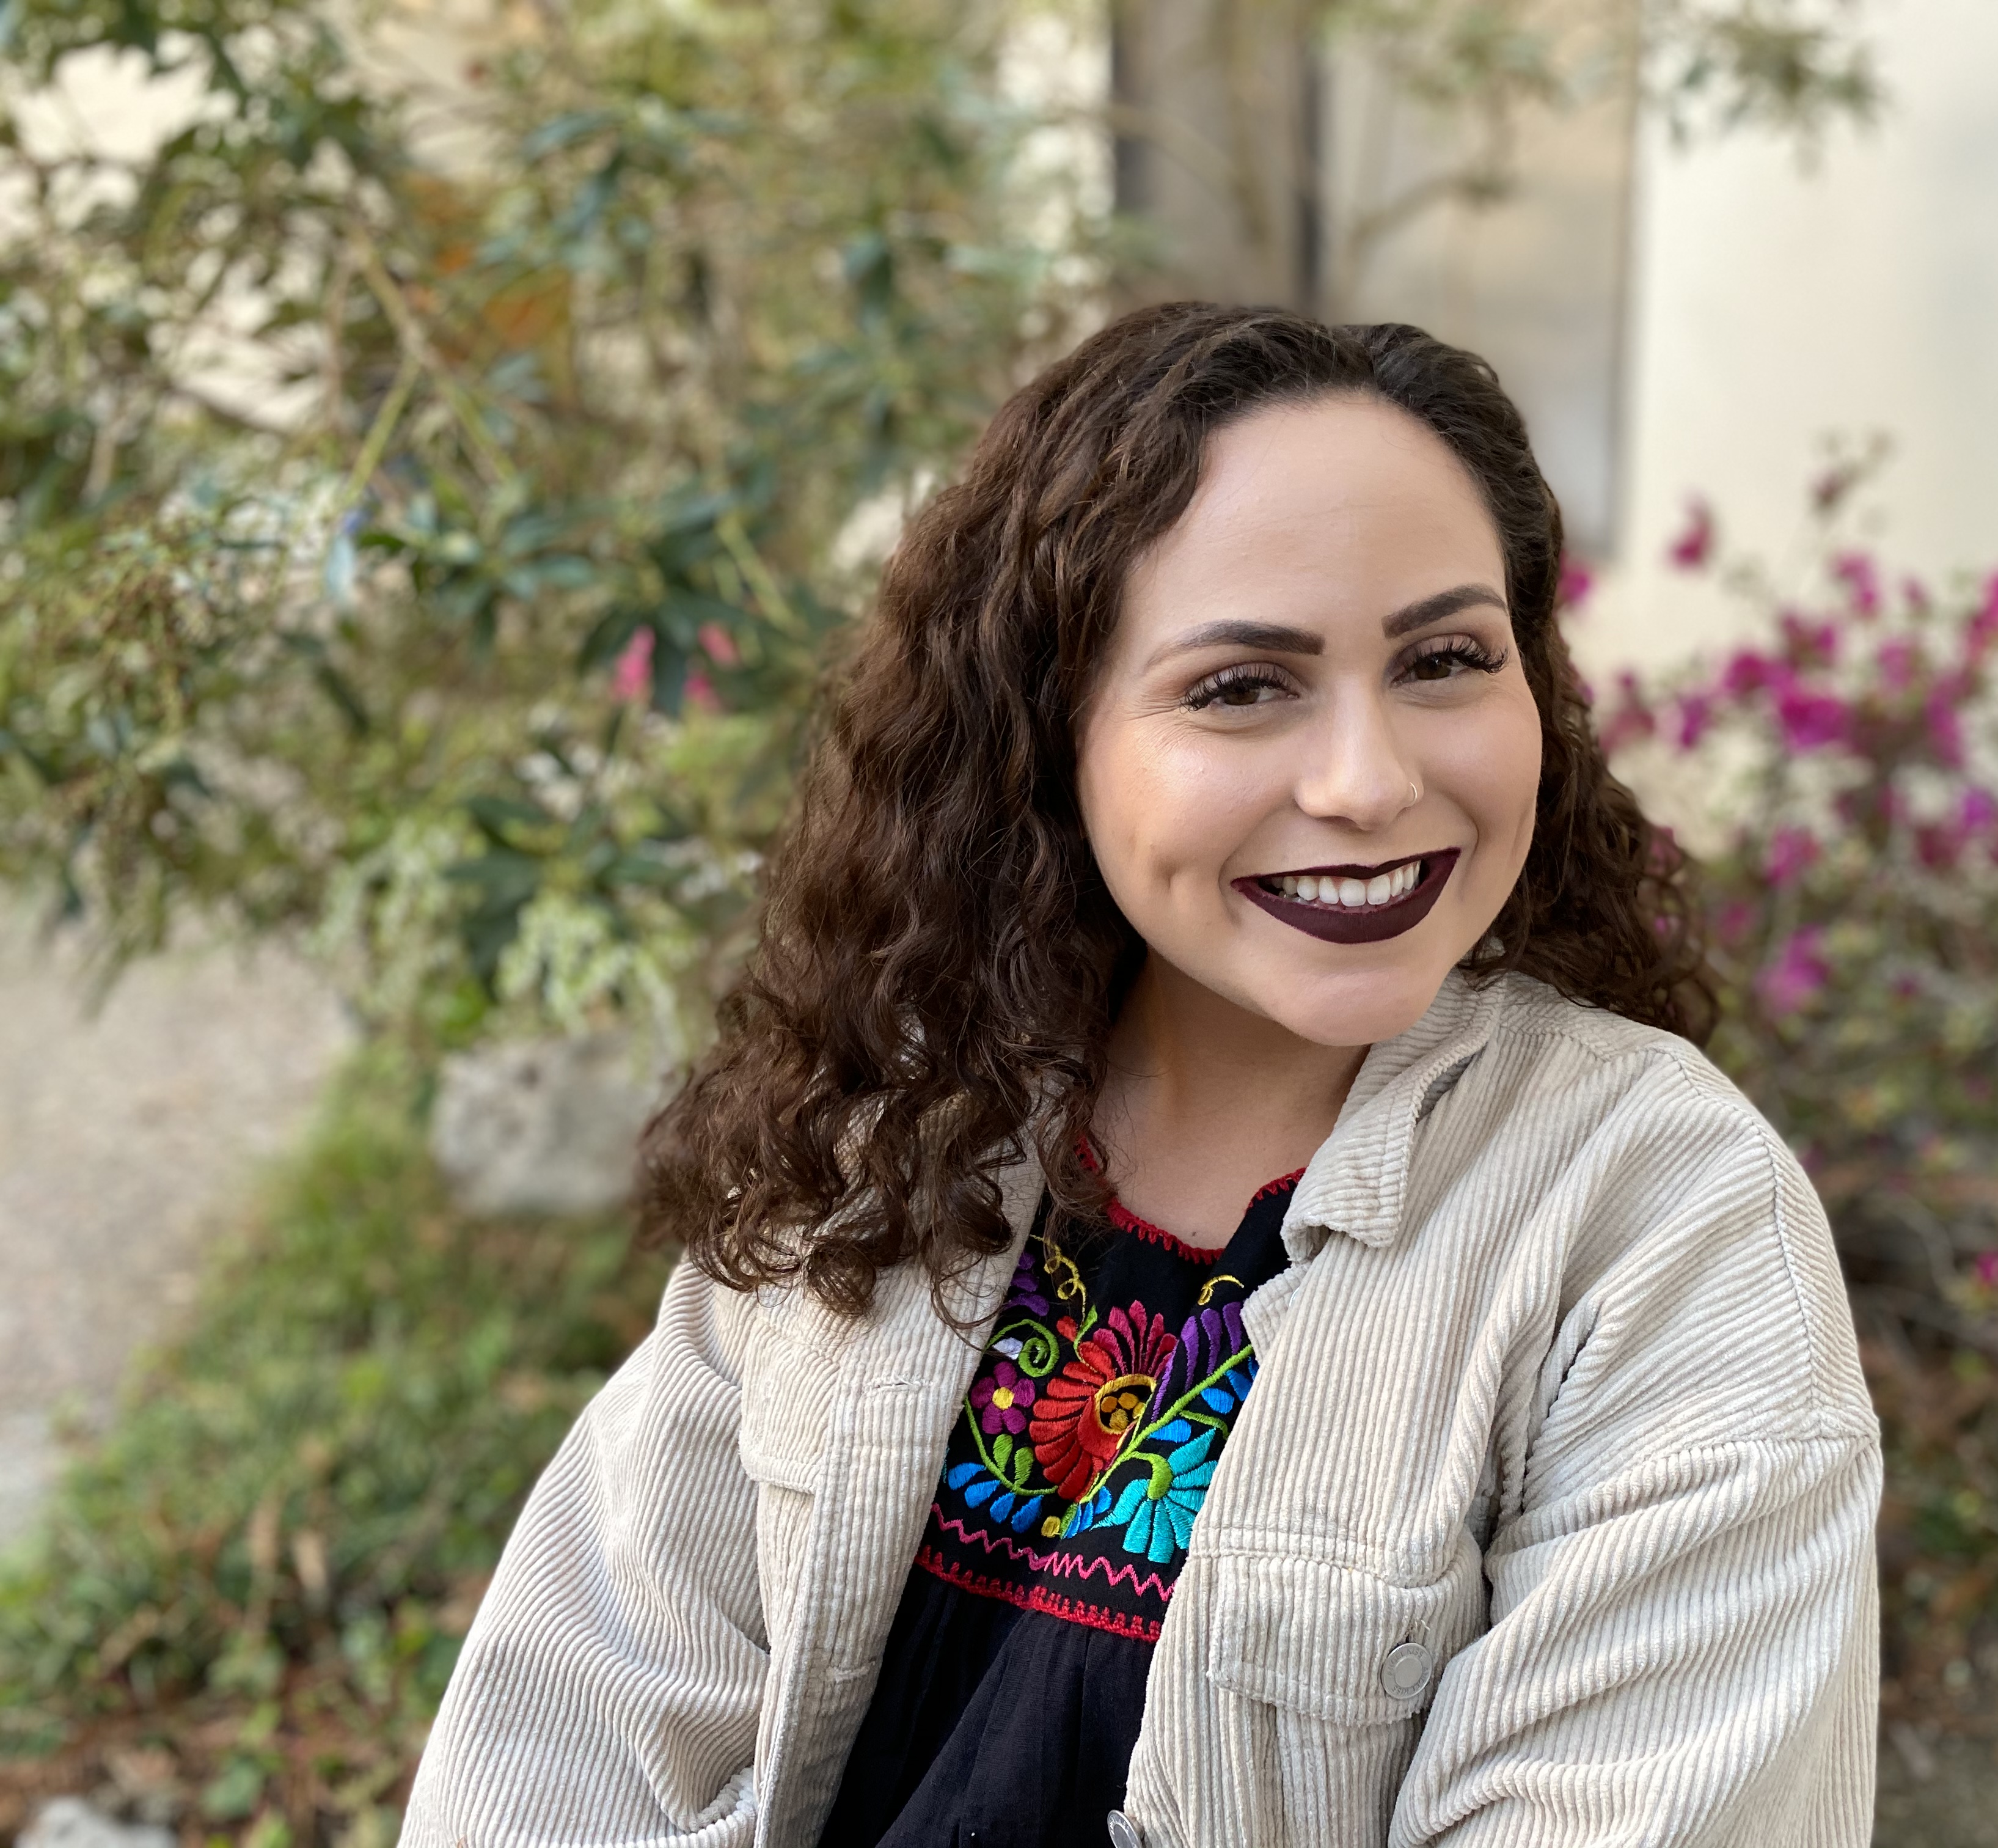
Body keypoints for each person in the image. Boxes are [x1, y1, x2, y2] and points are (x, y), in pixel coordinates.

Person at [403, 302, 1880, 1848]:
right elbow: (569, 1739)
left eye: (1446, 659)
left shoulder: (1664, 1233)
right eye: (1243, 686)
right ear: (1053, 738)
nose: (1371, 783)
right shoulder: (902, 1119)